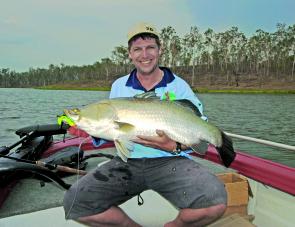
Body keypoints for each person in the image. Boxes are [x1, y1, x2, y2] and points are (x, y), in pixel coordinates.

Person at [63, 22, 227, 227]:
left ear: (159, 50)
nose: (144, 54)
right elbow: (112, 130)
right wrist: (87, 129)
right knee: (74, 203)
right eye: (137, 49)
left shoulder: (179, 85)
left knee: (215, 202)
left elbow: (198, 130)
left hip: (171, 161)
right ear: (130, 54)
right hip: (127, 163)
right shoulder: (118, 86)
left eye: (150, 47)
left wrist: (174, 146)